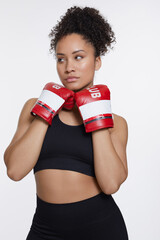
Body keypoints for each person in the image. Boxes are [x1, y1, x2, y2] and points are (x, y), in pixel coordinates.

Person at [4, 6, 129, 240]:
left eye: (78, 57)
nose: (68, 67)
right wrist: (46, 111)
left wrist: (96, 114)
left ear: (97, 61)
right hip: (45, 230)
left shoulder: (116, 124)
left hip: (100, 230)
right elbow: (14, 170)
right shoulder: (34, 106)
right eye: (61, 59)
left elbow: (111, 184)